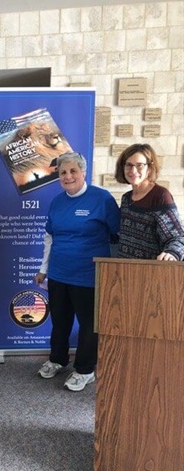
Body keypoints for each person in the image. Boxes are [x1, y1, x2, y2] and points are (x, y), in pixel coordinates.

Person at [35, 152, 120, 391]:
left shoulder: (101, 199)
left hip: (89, 275)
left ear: (83, 173)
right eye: (63, 172)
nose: (68, 176)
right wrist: (43, 269)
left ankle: (85, 369)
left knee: (88, 325)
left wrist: (114, 272)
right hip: (59, 274)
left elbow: (116, 235)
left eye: (73, 171)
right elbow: (49, 237)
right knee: (60, 322)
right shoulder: (57, 202)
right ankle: (58, 359)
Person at [115, 143, 184, 261]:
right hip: (125, 271)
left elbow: (178, 237)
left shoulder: (160, 196)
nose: (133, 170)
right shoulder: (126, 198)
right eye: (129, 165)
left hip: (151, 273)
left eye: (139, 165)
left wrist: (172, 253)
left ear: (150, 168)